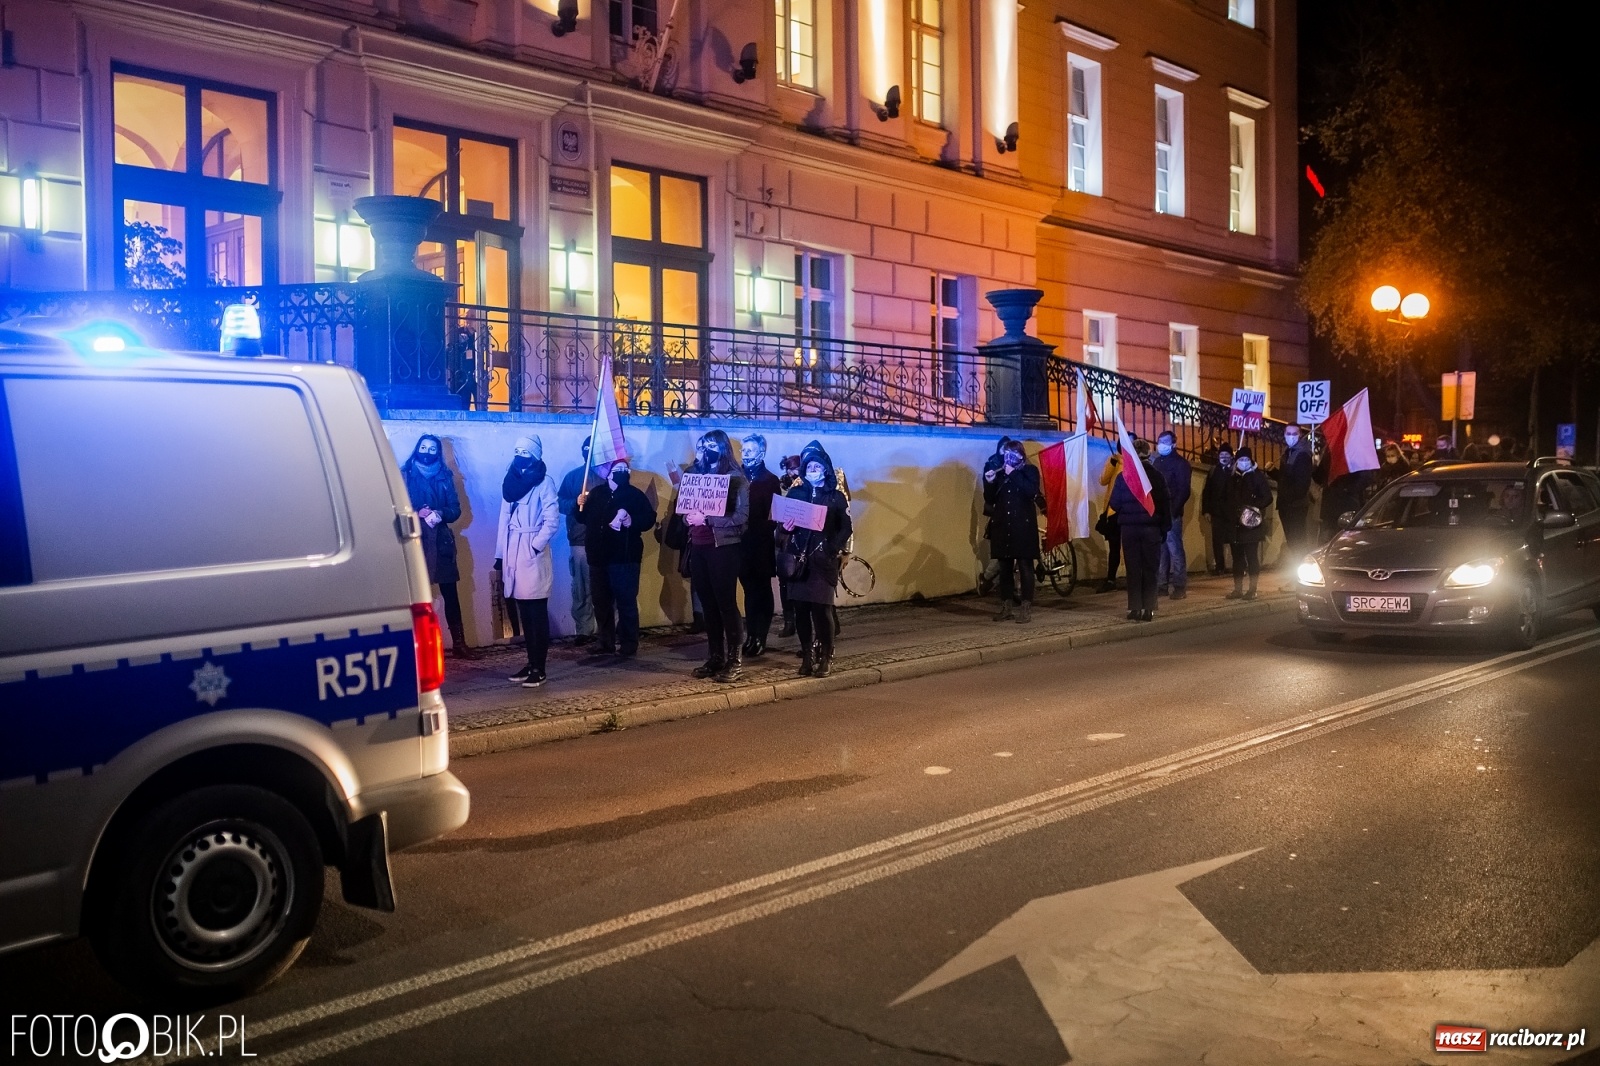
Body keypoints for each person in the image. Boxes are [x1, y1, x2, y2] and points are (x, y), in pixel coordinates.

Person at [779, 440, 853, 676]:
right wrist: (787, 527)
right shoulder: (796, 492)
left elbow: (846, 527)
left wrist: (832, 548)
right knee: (801, 610)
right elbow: (784, 524)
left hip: (822, 562)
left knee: (822, 611)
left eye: (817, 467)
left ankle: (825, 656)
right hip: (799, 562)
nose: (812, 471)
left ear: (825, 469)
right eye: (809, 467)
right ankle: (807, 657)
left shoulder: (834, 496)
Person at [400, 434, 478, 659]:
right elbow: (395, 506)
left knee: (450, 594)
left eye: (432, 449)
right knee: (416, 596)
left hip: (441, 541)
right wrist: (416, 511)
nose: (427, 452)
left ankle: (460, 643)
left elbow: (456, 509)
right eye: (423, 447)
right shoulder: (405, 475)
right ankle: (415, 646)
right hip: (415, 541)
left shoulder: (446, 476)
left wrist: (440, 513)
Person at [682, 430, 749, 683]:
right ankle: (715, 656)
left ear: (722, 448)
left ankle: (734, 660)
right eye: (704, 445)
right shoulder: (695, 474)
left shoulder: (735, 479)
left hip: (723, 548)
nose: (707, 450)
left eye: (713, 445)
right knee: (707, 605)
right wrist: (687, 517)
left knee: (725, 604)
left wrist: (708, 519)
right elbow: (685, 506)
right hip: (698, 546)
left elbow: (741, 517)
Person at [496, 435, 560, 687]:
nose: (520, 455)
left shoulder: (545, 483)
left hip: (531, 551)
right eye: (517, 450)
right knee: (524, 612)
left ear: (535, 455)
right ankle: (531, 662)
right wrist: (499, 554)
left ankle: (539, 667)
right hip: (513, 550)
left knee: (536, 613)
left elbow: (552, 520)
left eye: (526, 451)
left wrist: (534, 546)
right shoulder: (510, 482)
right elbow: (504, 519)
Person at [582, 459, 656, 656]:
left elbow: (649, 518)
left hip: (624, 557)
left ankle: (629, 642)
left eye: (625, 469)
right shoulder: (597, 493)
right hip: (598, 557)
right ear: (608, 473)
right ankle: (605, 641)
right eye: (618, 469)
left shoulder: (634, 495)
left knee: (626, 602)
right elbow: (583, 517)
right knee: (601, 602)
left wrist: (633, 521)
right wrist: (578, 505)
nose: (622, 472)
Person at [1109, 439, 1171, 622]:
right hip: (1151, 529)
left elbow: (1114, 503)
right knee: (1150, 569)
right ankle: (1149, 609)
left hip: (1129, 530)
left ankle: (1134, 609)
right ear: (1149, 454)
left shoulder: (1123, 477)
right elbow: (1165, 504)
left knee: (1133, 569)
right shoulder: (1157, 476)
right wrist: (1165, 528)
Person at [982, 439, 1042, 622]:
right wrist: (989, 482)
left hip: (1023, 527)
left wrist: (1014, 474)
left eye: (1012, 455)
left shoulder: (1030, 471)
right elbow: (990, 499)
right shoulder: (1001, 473)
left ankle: (1025, 608)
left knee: (1025, 567)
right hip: (1003, 526)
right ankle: (1006, 607)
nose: (1007, 459)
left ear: (1020, 455)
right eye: (1005, 454)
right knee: (1005, 568)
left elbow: (1031, 491)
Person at [738, 433, 781, 658]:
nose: (745, 454)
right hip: (741, 545)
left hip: (760, 544)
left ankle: (760, 636)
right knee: (748, 592)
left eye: (750, 450)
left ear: (761, 453)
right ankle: (750, 635)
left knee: (761, 591)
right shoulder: (737, 476)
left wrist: (757, 529)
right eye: (743, 450)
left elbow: (774, 514)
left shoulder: (769, 480)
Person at [556, 439, 599, 646]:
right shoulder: (573, 477)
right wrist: (575, 502)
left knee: (604, 586)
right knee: (581, 587)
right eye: (586, 450)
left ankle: (609, 626)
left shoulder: (609, 477)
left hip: (604, 541)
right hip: (580, 540)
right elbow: (560, 503)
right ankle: (584, 629)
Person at [1225, 446, 1273, 601]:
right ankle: (1238, 589)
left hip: (1250, 524)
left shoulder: (1257, 477)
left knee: (1251, 557)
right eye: (1240, 459)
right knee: (1237, 558)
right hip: (1235, 524)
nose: (1243, 462)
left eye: (1246, 459)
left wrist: (1253, 507)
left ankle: (1252, 589)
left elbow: (1267, 497)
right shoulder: (1232, 477)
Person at [1151, 430, 1192, 600]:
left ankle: (1179, 586)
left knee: (1175, 550)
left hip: (1172, 513)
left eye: (1166, 441)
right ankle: (1161, 585)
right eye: (1160, 441)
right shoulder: (1157, 462)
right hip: (1158, 513)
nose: (1162, 444)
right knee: (1161, 551)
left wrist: (1173, 511)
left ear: (1174, 443)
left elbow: (1183, 490)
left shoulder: (1181, 464)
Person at [978, 436, 1013, 595]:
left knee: (1012, 552)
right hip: (999, 513)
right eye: (1003, 448)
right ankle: (986, 578)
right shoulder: (991, 465)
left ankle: (1001, 585)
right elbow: (989, 494)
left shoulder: (1015, 464)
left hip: (1014, 513)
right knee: (1001, 553)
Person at [1275, 424, 1315, 566]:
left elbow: (1301, 484)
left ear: (1299, 435)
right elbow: (1286, 478)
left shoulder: (1302, 454)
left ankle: (1300, 577)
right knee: (1293, 542)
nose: (1290, 437)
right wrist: (1273, 472)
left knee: (1297, 542)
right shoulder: (1289, 452)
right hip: (1288, 505)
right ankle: (1298, 576)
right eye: (1288, 433)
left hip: (1295, 505)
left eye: (1294, 434)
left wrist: (1288, 498)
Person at [776, 454, 803, 637]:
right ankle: (789, 622)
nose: (794, 473)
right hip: (783, 538)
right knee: (784, 582)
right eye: (790, 469)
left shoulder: (805, 487)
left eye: (796, 469)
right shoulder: (782, 486)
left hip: (800, 540)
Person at [1200, 443, 1234, 575]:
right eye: (1222, 455)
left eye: (1226, 455)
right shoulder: (1214, 471)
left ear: (1231, 457)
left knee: (1233, 539)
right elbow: (1207, 492)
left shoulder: (1234, 470)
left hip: (1231, 512)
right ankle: (1220, 566)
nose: (1224, 457)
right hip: (1217, 512)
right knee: (1217, 540)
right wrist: (1206, 510)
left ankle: (1235, 565)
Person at [1095, 451, 1123, 593]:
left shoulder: (1133, 462)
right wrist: (1113, 462)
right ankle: (1111, 579)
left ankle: (1137, 578)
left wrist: (1122, 461)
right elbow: (1103, 480)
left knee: (1132, 547)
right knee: (1114, 547)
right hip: (1112, 511)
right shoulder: (1115, 460)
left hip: (1129, 510)